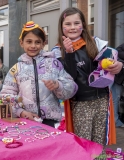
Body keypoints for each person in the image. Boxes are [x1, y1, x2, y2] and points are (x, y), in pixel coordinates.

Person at [52, 7, 123, 145]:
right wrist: (69, 53)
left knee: (99, 142)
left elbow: (111, 61)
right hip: (80, 103)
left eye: (76, 23)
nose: (72, 27)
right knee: (84, 142)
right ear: (61, 27)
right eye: (68, 24)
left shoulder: (95, 42)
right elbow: (70, 77)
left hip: (102, 99)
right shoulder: (57, 51)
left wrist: (119, 65)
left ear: (83, 25)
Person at [0, 21, 77, 127]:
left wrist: (58, 85)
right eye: (29, 41)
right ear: (21, 43)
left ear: (43, 43)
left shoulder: (54, 64)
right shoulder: (16, 69)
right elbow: (5, 96)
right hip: (24, 120)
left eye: (37, 42)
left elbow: (72, 88)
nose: (33, 46)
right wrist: (21, 112)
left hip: (49, 121)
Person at [111, 43, 124, 127]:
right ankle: (115, 120)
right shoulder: (121, 47)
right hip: (119, 77)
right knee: (115, 99)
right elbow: (116, 51)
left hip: (120, 78)